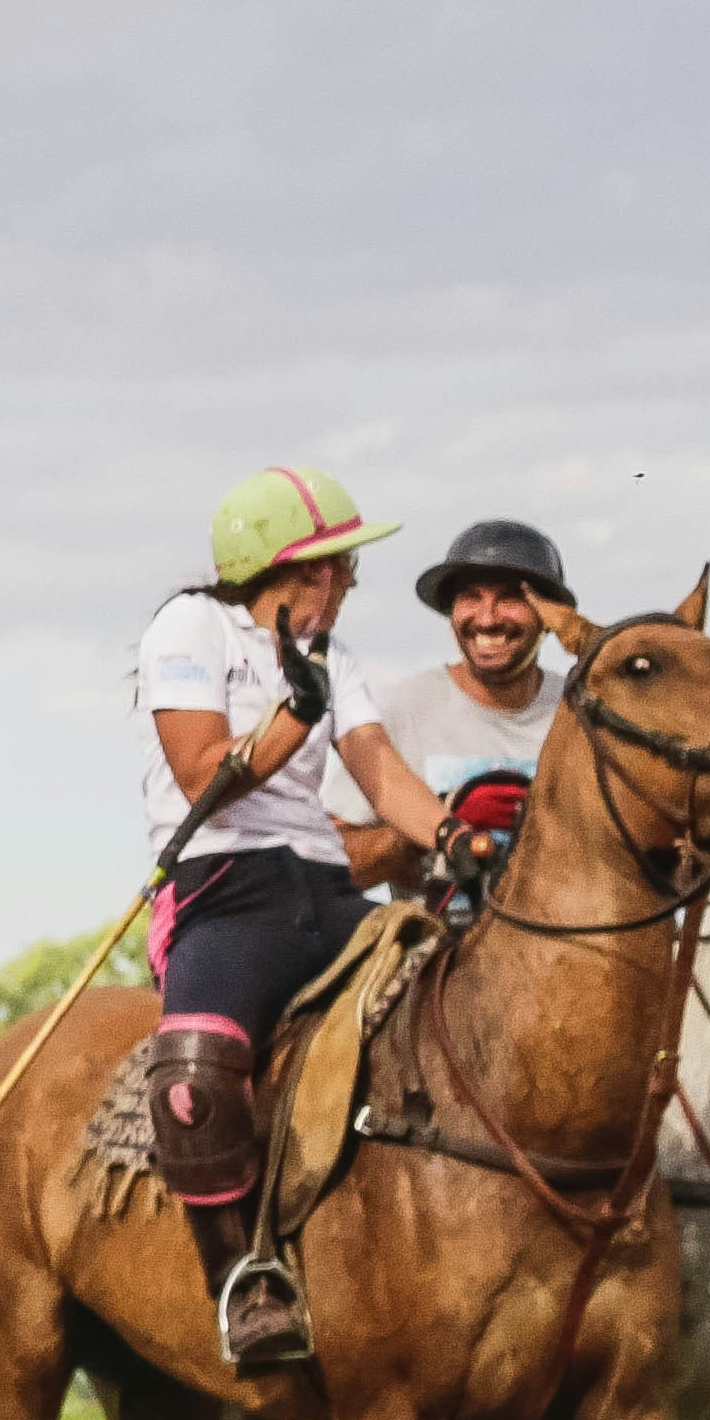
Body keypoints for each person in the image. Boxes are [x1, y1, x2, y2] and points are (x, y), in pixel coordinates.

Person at [135, 467, 455, 1370]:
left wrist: (456, 836)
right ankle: (243, 1283)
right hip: (222, 889)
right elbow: (204, 776)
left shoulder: (335, 661)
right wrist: (287, 718)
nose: (349, 583)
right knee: (190, 1082)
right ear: (295, 567)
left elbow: (381, 773)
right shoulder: (189, 628)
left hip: (323, 889)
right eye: (340, 566)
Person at [326, 516, 573, 901]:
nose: (487, 617)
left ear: (551, 616)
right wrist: (437, 828)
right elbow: (330, 863)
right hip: (435, 952)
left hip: (571, 954)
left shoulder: (582, 714)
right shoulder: (402, 708)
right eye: (471, 597)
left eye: (510, 597)